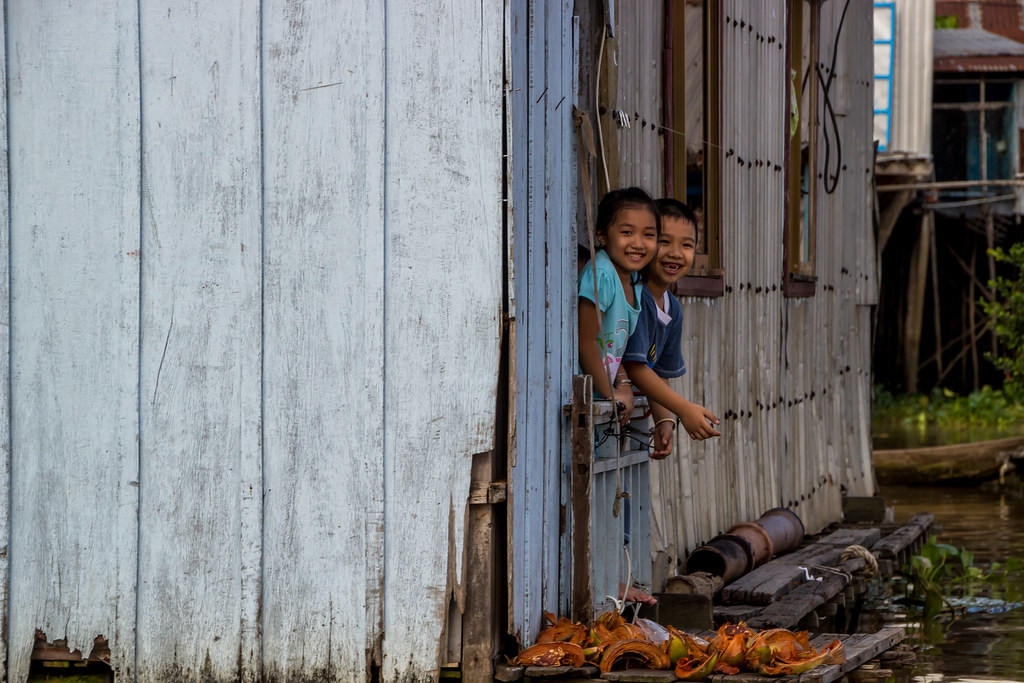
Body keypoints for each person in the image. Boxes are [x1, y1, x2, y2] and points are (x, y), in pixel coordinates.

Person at [623, 198, 720, 458]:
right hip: (612, 408)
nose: (676, 253)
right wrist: (684, 410)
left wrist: (664, 421)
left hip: (635, 419)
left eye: (687, 245)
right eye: (664, 242)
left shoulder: (672, 308)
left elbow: (658, 371)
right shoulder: (636, 295)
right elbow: (636, 367)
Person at [578, 187, 660, 426]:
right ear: (602, 235)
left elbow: (612, 345)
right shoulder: (602, 274)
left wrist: (622, 383)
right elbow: (587, 342)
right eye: (627, 232)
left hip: (603, 396)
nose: (638, 243)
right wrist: (611, 393)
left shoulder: (635, 281)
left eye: (648, 235)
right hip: (584, 397)